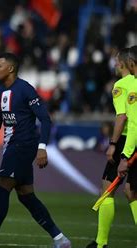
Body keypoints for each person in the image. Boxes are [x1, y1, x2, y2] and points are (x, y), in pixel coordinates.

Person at [0, 53, 70, 248]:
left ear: (10, 69)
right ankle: (60, 239)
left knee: (1, 189)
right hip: (12, 147)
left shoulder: (25, 89)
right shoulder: (0, 92)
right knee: (26, 196)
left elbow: (45, 119)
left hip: (23, 145)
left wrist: (42, 148)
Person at [87, 47, 137, 248]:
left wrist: (113, 145)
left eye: (117, 61)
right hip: (132, 140)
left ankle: (101, 243)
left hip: (126, 141)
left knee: (107, 189)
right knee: (131, 191)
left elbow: (122, 117)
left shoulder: (121, 85)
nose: (115, 64)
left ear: (126, 63)